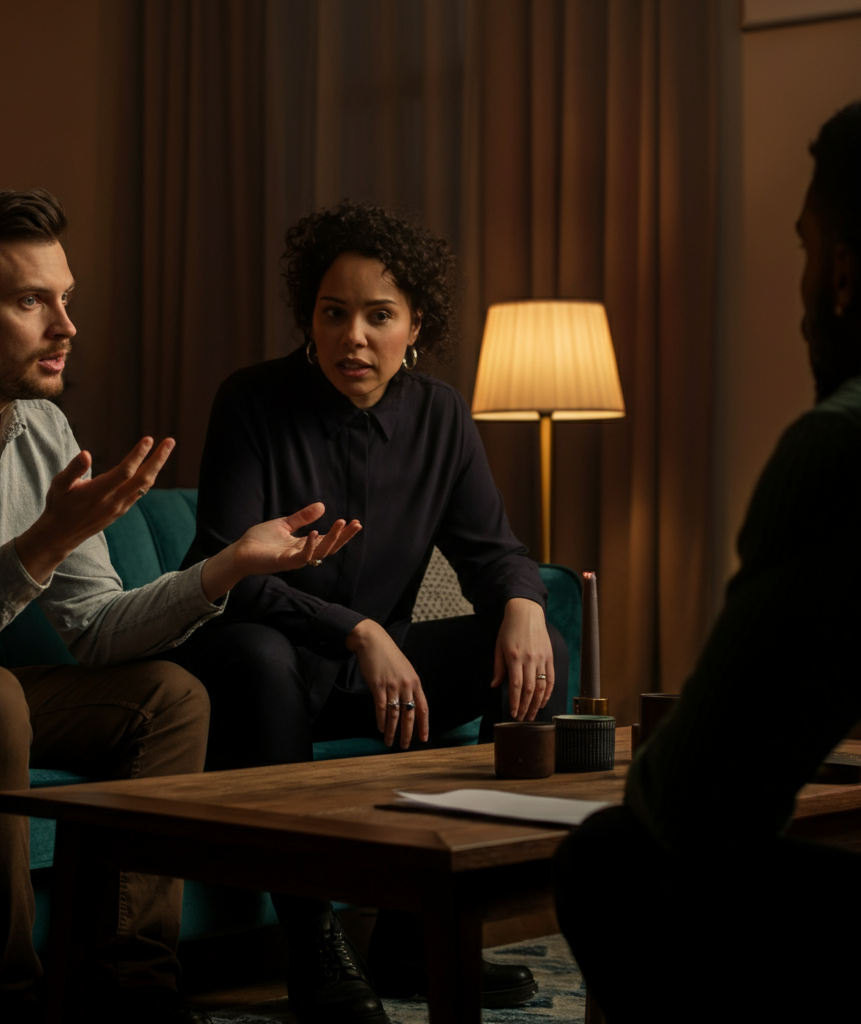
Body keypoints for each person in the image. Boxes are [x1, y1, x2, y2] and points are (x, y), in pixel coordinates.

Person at [0, 189, 359, 1024]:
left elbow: (97, 628)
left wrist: (227, 567)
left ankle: (130, 992)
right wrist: (39, 545)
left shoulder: (44, 432)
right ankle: (10, 1001)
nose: (66, 325)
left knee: (169, 696)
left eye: (67, 299)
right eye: (32, 301)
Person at [168, 201, 569, 1022]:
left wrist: (523, 604)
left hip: (371, 669)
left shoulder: (442, 415)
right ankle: (315, 943)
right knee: (258, 656)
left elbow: (492, 551)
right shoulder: (250, 401)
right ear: (309, 321)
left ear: (414, 325)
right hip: (264, 662)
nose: (354, 336)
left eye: (378, 316)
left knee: (543, 648)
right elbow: (222, 571)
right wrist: (358, 630)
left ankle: (412, 934)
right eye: (334, 313)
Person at [553, 92, 861, 1023]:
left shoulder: (854, 444)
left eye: (800, 246)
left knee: (614, 858)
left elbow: (696, 807)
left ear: (838, 270)